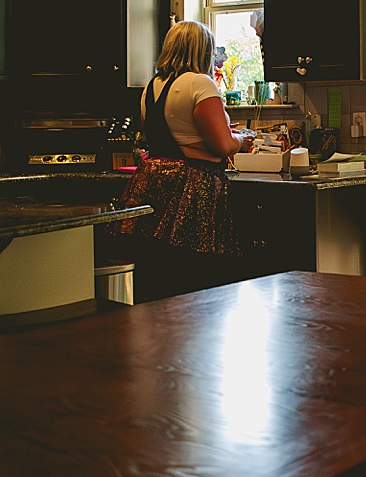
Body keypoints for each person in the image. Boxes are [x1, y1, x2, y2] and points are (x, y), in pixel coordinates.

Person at [107, 20, 257, 301]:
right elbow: (222, 145)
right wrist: (242, 139)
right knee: (195, 276)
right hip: (191, 184)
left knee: (158, 271)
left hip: (152, 179)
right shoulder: (201, 83)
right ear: (202, 50)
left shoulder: (152, 86)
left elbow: (179, 133)